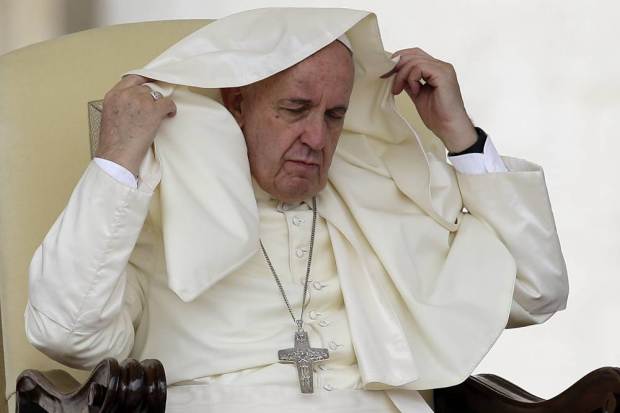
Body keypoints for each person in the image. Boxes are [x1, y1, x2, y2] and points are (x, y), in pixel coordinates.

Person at [25, 8, 568, 412]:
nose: (316, 137)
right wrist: (119, 158)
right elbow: (65, 333)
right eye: (295, 108)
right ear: (237, 103)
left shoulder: (377, 201)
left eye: (334, 115)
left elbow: (535, 291)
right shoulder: (157, 204)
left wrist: (461, 138)